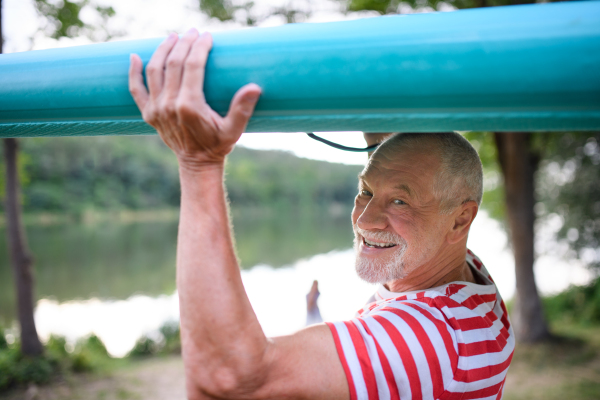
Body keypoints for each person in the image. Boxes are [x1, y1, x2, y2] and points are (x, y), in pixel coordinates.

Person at [128, 28, 514, 400]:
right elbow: (407, 171)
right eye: (365, 191)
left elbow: (227, 381)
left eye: (400, 202)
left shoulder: (433, 338)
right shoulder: (465, 280)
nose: (364, 221)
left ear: (461, 219)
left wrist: (199, 162)